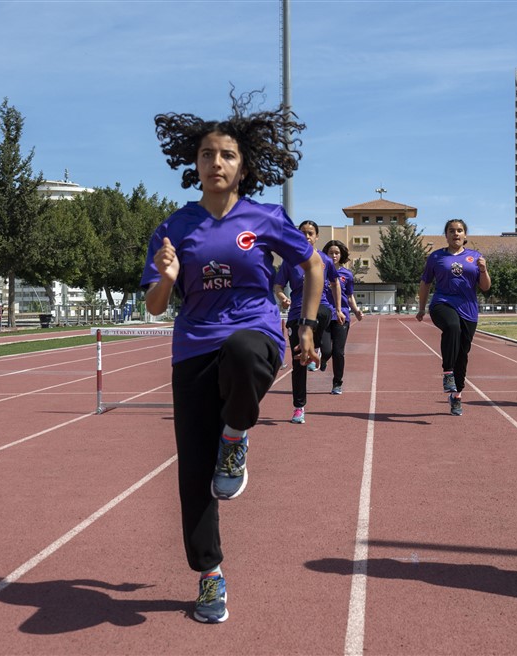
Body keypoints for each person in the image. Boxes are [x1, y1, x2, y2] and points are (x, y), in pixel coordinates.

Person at [141, 90, 324, 624]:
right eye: (206, 155)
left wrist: (307, 325)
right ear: (193, 164)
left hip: (254, 331)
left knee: (245, 353)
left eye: (226, 155)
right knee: (194, 476)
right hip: (192, 345)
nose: (215, 163)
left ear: (243, 167)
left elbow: (312, 266)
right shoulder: (173, 227)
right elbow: (154, 305)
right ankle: (209, 576)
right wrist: (168, 277)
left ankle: (235, 434)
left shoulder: (265, 217)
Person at [415, 219, 491, 416]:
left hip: (468, 309)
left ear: (465, 235)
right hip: (443, 303)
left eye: (459, 230)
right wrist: (422, 308)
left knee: (462, 354)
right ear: (446, 235)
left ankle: (456, 395)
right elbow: (425, 283)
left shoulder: (475, 257)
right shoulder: (436, 257)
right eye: (451, 230)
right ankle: (448, 372)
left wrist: (483, 270)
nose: (456, 233)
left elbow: (485, 287)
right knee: (452, 326)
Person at [273, 220, 343, 423]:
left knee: (322, 317)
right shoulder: (289, 261)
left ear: (317, 236)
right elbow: (278, 285)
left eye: (310, 233)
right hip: (296, 314)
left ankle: (317, 344)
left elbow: (335, 282)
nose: (306, 236)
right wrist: (282, 297)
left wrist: (338, 308)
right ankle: (299, 407)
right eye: (302, 233)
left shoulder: (324, 260)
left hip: (320, 309)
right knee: (299, 363)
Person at [320, 239, 365, 395]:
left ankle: (337, 383)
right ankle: (324, 358)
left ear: (341, 255)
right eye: (331, 252)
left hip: (342, 316)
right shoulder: (320, 271)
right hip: (324, 314)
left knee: (338, 352)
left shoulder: (347, 274)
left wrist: (357, 310)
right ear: (325, 254)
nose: (333, 255)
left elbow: (350, 296)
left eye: (337, 253)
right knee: (326, 350)